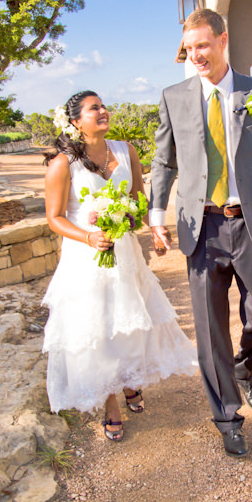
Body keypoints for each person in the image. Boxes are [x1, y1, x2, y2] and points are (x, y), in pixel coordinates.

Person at [150, 9, 252, 457]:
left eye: (203, 45)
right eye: (189, 48)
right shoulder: (174, 96)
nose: (196, 55)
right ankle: (227, 419)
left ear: (222, 40)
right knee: (211, 330)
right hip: (203, 227)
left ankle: (245, 367)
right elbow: (164, 161)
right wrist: (157, 212)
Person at [42, 90, 197, 442]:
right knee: (99, 330)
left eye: (103, 106)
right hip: (86, 257)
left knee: (129, 324)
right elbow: (54, 218)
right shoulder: (62, 164)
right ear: (75, 122)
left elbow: (139, 201)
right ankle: (111, 403)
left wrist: (148, 228)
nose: (103, 111)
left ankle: (130, 382)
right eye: (93, 108)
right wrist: (88, 237)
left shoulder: (126, 151)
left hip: (124, 253)